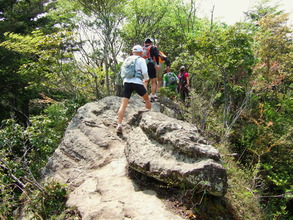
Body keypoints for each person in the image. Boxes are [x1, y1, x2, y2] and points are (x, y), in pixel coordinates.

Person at [117, 45, 151, 134]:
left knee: (123, 105)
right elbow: (144, 72)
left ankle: (119, 125)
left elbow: (122, 72)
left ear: (133, 52)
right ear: (141, 52)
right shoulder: (141, 60)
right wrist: (146, 79)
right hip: (137, 82)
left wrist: (125, 80)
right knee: (147, 99)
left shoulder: (127, 59)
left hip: (127, 83)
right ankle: (149, 119)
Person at [142, 38, 161, 102]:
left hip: (143, 65)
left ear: (145, 43)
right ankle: (152, 96)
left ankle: (145, 97)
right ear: (151, 43)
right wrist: (157, 64)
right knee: (153, 80)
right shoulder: (153, 47)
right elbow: (157, 55)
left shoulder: (142, 49)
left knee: (145, 81)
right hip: (150, 64)